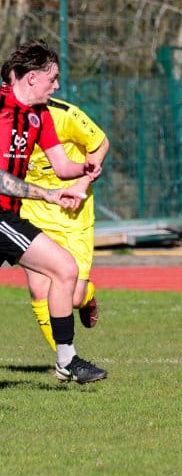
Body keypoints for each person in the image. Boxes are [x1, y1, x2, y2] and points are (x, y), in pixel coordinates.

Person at [0, 39, 107, 383]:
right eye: (53, 78)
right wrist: (48, 195)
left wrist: (84, 169)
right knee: (62, 269)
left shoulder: (40, 115)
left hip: (8, 216)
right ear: (32, 77)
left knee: (64, 269)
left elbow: (61, 166)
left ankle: (66, 361)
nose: (57, 85)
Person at [19, 87, 110, 349]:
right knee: (39, 289)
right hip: (32, 211)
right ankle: (65, 360)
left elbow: (100, 143)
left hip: (73, 215)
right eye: (52, 78)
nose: (56, 85)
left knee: (73, 297)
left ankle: (87, 296)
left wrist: (82, 183)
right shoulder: (8, 116)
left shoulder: (65, 114)